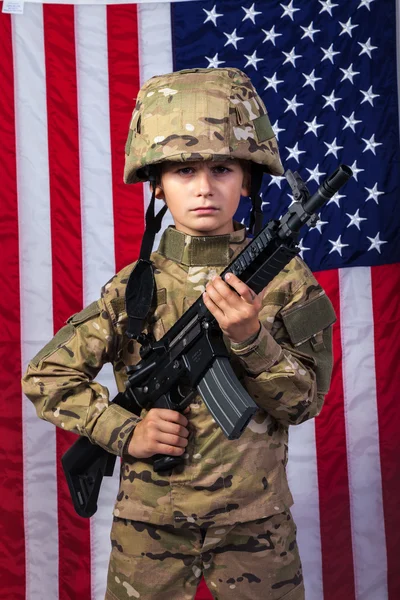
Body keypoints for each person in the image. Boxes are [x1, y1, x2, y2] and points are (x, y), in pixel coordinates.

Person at [22, 67, 336, 600]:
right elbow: (45, 375)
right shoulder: (133, 289)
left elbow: (304, 403)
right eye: (184, 171)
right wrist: (124, 432)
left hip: (256, 527)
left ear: (249, 179)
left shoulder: (287, 281)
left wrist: (250, 340)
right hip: (151, 527)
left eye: (221, 168)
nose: (205, 188)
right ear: (158, 185)